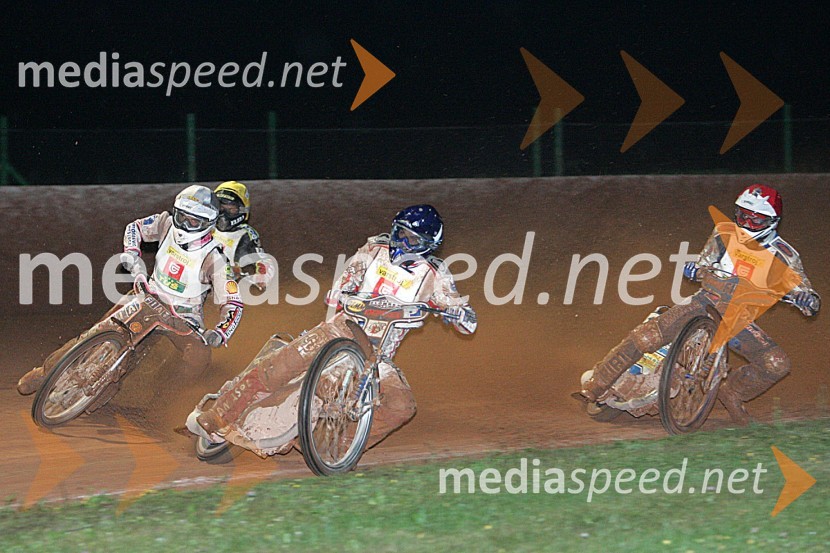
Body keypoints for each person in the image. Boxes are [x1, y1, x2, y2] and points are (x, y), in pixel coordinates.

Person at [188, 204, 477, 455]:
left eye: (413, 239)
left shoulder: (435, 274)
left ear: (428, 244)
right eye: (401, 232)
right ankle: (217, 416)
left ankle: (339, 449)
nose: (403, 242)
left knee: (402, 405)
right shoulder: (374, 249)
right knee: (279, 366)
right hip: (340, 329)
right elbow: (344, 281)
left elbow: (468, 322)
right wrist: (345, 292)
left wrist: (456, 312)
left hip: (376, 355)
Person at [577, 184, 820, 423]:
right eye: (742, 216)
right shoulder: (724, 234)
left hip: (737, 320)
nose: (746, 225)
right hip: (704, 302)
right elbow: (704, 263)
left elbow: (805, 292)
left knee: (776, 364)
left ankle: (733, 392)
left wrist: (806, 298)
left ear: (772, 222)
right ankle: (597, 384)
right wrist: (694, 270)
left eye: (755, 221)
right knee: (647, 337)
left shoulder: (784, 255)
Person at [17, 185, 244, 395]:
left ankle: (161, 400)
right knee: (98, 331)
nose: (184, 225)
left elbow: (233, 302)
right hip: (147, 293)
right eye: (181, 216)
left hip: (183, 316)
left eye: (194, 222)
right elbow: (135, 227)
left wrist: (221, 332)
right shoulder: (166, 223)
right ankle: (47, 373)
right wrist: (131, 253)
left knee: (199, 357)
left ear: (208, 224)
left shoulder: (215, 259)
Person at [212, 181, 276, 290]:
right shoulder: (204, 224)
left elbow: (263, 260)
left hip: (224, 287)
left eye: (230, 209)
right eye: (221, 208)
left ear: (242, 210)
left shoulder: (246, 234)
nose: (223, 214)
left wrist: (262, 276)